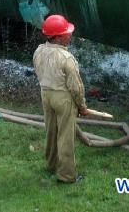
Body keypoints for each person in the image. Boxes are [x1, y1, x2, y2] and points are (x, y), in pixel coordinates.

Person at [33, 14, 89, 183]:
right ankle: (66, 175)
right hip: (63, 98)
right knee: (65, 136)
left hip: (45, 94)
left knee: (51, 131)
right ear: (57, 38)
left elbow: (38, 72)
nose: (69, 35)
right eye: (66, 33)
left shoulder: (38, 51)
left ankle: (51, 165)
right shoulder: (66, 58)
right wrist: (82, 106)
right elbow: (76, 87)